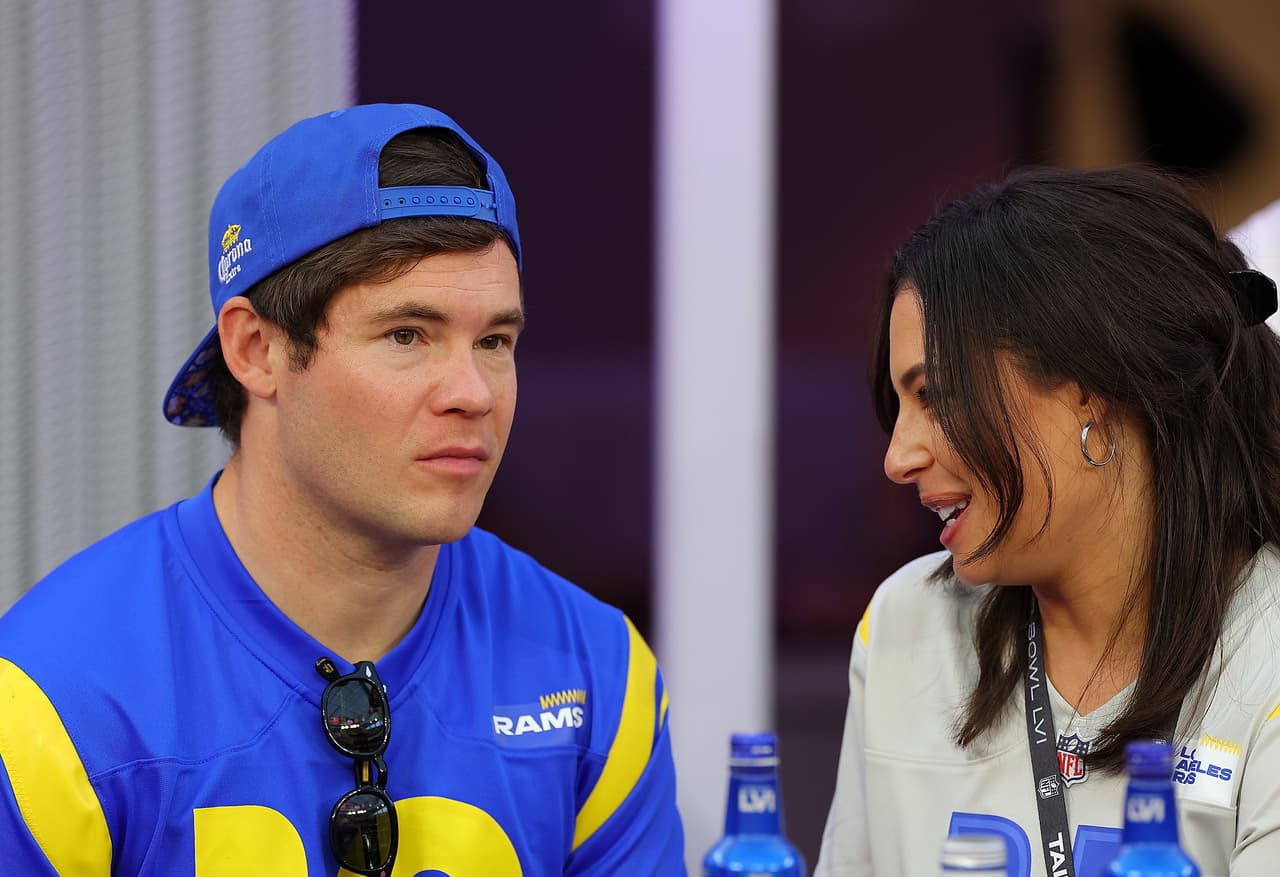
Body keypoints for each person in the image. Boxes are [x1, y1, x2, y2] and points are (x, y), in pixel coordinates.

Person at [0, 103, 685, 875]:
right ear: (255, 350)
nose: (473, 392)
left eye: (494, 340)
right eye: (407, 335)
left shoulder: (594, 670)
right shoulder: (53, 698)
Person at [814, 166, 1280, 877]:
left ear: (1090, 393)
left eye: (935, 394)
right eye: (898, 406)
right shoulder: (905, 623)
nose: (897, 458)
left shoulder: (1265, 653)